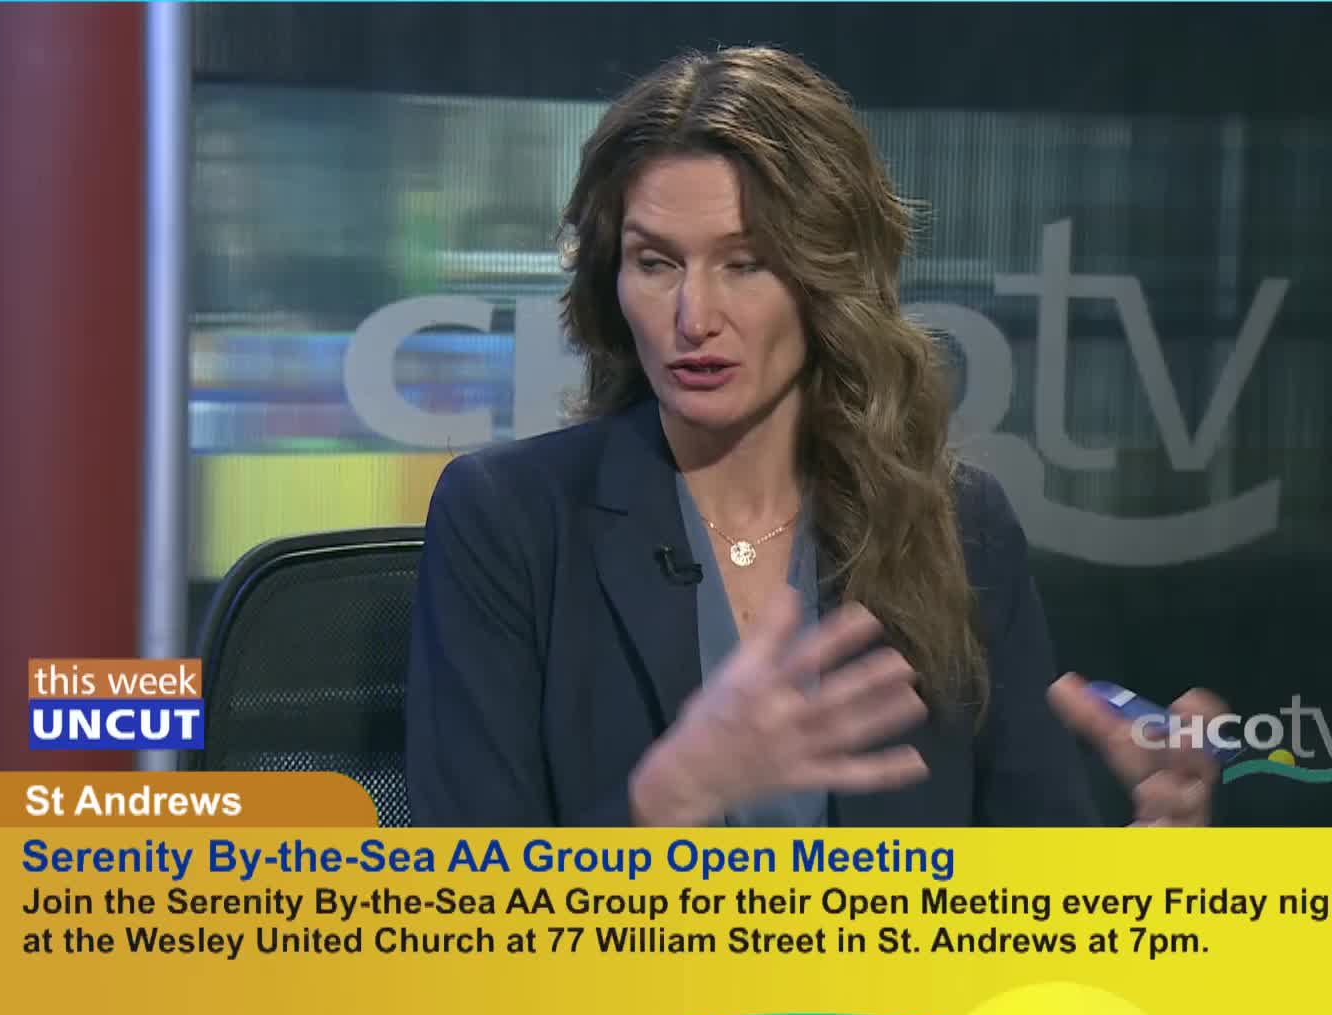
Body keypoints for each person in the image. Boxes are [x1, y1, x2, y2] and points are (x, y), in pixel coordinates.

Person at [404, 45, 1222, 828]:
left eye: (745, 263)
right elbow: (469, 918)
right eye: (655, 263)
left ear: (827, 277)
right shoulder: (509, 522)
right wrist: (667, 797)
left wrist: (1134, 877)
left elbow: (1026, 898)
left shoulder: (956, 527)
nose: (695, 318)